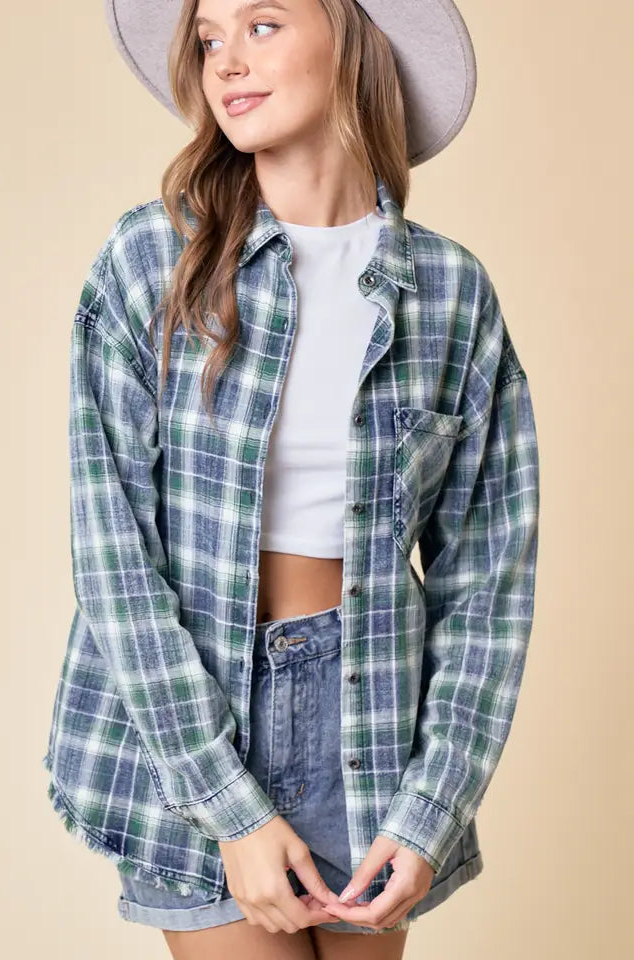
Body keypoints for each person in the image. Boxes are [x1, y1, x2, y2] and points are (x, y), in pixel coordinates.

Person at [41, 1, 540, 957]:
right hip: (192, 716)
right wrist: (227, 807)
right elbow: (114, 558)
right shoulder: (151, 262)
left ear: (354, 35)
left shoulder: (451, 293)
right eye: (209, 37)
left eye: (262, 24)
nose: (226, 60)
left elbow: (488, 585)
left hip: (374, 722)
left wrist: (432, 809)